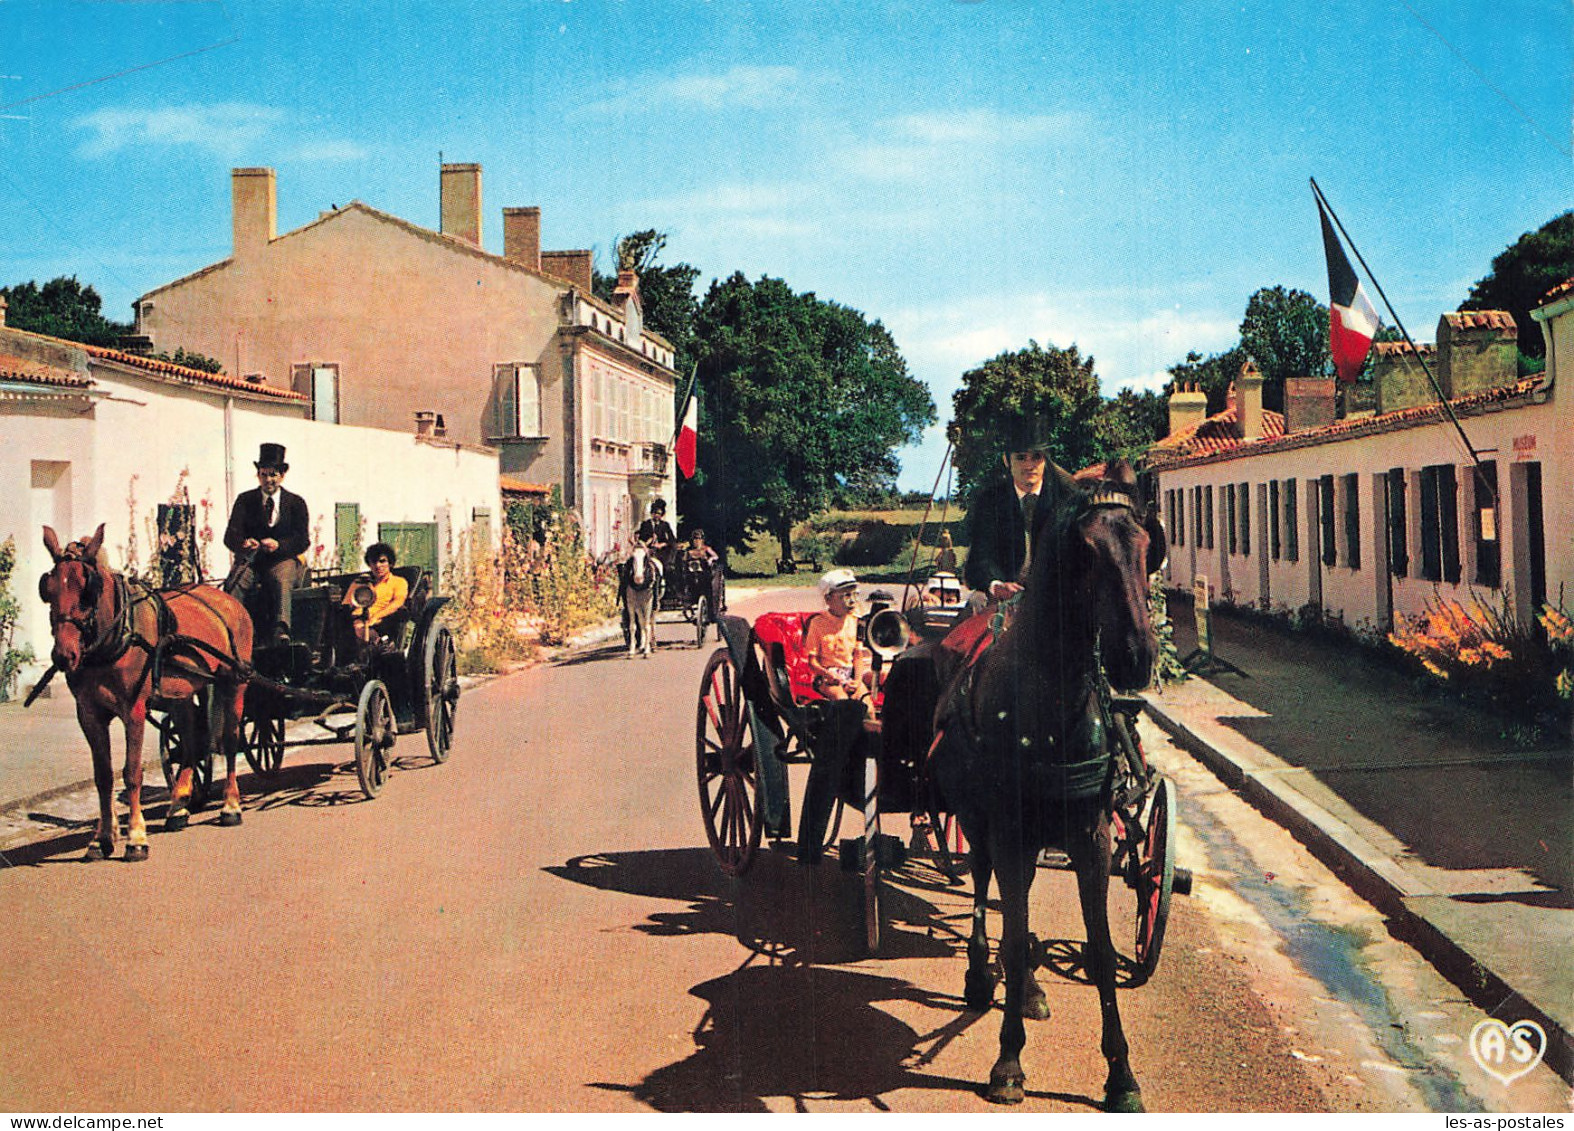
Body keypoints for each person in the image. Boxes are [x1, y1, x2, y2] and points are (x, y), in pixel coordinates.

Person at [962, 418, 1077, 602]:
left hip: (1056, 599)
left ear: (1045, 461)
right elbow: (978, 560)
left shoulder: (1066, 500)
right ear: (1007, 460)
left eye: (1037, 457)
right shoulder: (990, 500)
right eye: (1021, 457)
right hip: (1003, 597)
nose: (1029, 465)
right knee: (975, 608)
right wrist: (996, 584)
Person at [224, 442, 310, 639]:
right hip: (253, 561)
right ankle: (229, 627)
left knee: (282, 579)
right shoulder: (245, 500)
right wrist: (244, 543)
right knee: (235, 581)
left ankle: (281, 629)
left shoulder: (296, 503)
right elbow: (230, 536)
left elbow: (302, 540)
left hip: (282, 560)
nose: (268, 480)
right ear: (258, 475)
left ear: (282, 475)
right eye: (264, 474)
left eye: (273, 475)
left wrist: (279, 545)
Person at [803, 568, 873, 701]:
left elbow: (857, 655)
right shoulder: (817, 623)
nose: (851, 601)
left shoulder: (856, 621)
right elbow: (812, 662)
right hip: (826, 677)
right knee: (842, 701)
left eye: (854, 595)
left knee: (866, 705)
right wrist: (827, 674)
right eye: (844, 597)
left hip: (850, 674)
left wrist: (857, 681)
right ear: (828, 599)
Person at [343, 542, 409, 644]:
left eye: (382, 561)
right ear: (369, 564)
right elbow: (346, 605)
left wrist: (376, 616)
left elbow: (398, 602)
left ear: (390, 563)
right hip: (356, 620)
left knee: (359, 629)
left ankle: (379, 643)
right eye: (374, 562)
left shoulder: (398, 582)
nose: (378, 565)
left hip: (381, 621)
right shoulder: (360, 582)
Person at [683, 527, 726, 613]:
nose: (697, 541)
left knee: (708, 585)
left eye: (699, 538)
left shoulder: (706, 548)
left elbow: (715, 556)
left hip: (704, 572)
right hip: (692, 573)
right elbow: (684, 560)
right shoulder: (689, 550)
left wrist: (710, 559)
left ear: (702, 539)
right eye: (695, 538)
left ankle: (711, 609)